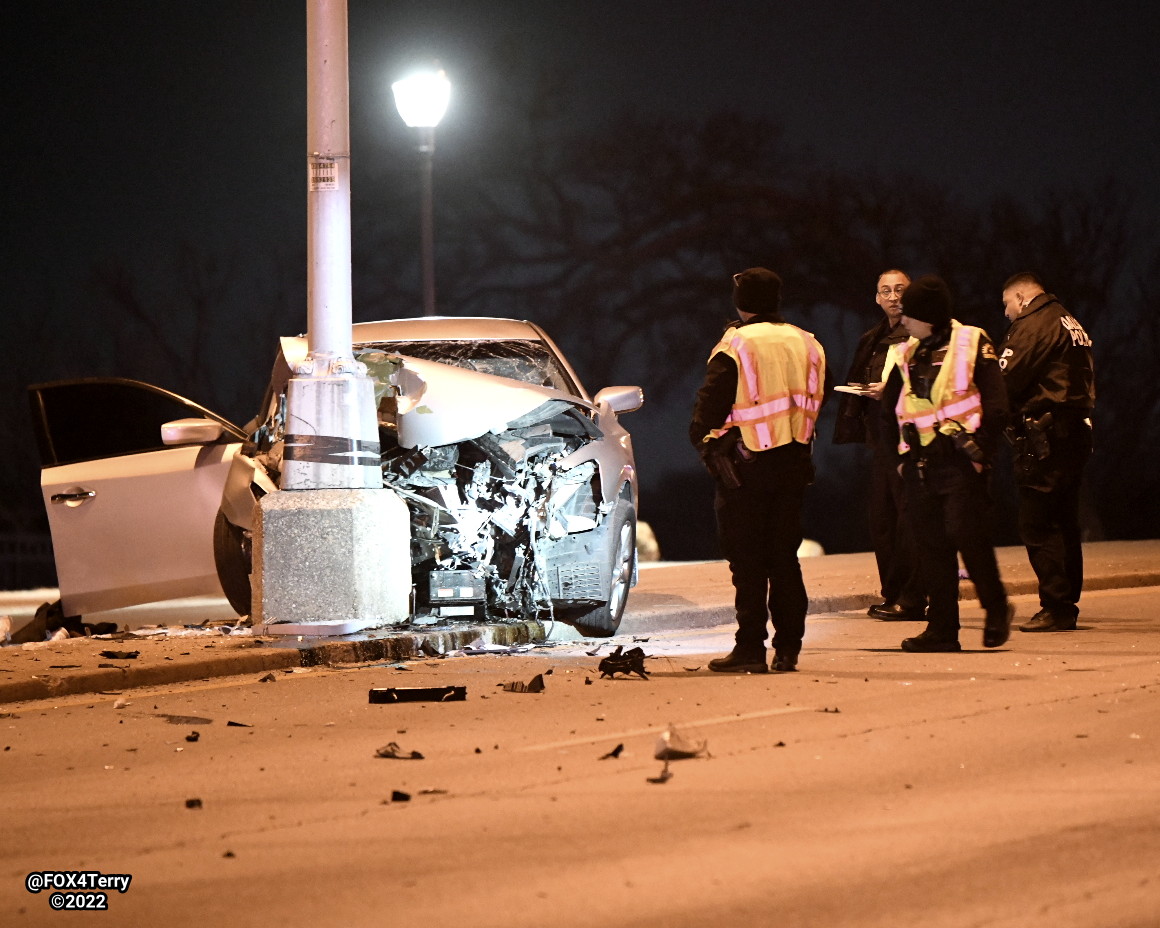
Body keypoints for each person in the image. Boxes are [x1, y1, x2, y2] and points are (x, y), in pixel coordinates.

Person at [689, 267, 826, 673]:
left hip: (745, 467)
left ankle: (750, 647)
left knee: (747, 561)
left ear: (740, 302)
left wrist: (706, 442)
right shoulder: (808, 342)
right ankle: (789, 649)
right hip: (795, 464)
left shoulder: (738, 343)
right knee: (785, 558)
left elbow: (709, 406)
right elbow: (819, 393)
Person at [880, 275, 1012, 652]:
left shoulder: (973, 342)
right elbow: (886, 413)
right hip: (920, 464)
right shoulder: (907, 352)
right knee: (932, 547)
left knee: (966, 535)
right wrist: (898, 463)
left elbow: (998, 406)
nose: (902, 320)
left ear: (928, 317)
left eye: (909, 314)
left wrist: (980, 453)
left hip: (960, 462)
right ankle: (941, 630)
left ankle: (996, 606)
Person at [998, 273, 1095, 632]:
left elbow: (1004, 379)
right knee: (1065, 519)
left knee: (1038, 523)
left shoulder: (1033, 324)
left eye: (1007, 305)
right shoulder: (1069, 320)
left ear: (1021, 297)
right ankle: (1066, 602)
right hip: (1074, 431)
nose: (1007, 314)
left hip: (1046, 436)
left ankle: (1056, 604)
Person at [833, 269, 927, 621]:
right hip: (882, 440)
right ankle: (894, 593)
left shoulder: (921, 336)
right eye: (885, 291)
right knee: (883, 520)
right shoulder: (873, 338)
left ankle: (912, 596)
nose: (892, 297)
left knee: (908, 520)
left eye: (899, 289)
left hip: (913, 440)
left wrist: (891, 392)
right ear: (876, 298)